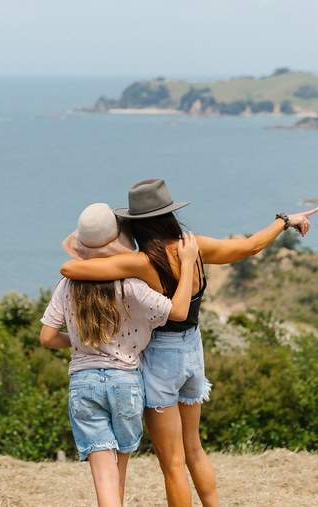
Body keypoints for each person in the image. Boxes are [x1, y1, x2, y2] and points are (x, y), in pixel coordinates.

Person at [61, 178, 318, 507]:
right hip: (193, 352)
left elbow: (70, 268)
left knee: (172, 463)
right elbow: (250, 246)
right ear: (169, 215)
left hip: (160, 361)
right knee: (194, 449)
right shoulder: (194, 246)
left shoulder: (141, 262)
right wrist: (284, 221)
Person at [40, 203, 199, 507]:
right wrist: (188, 263)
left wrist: (78, 342)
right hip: (125, 382)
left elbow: (47, 337)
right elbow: (179, 311)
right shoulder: (132, 286)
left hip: (84, 383)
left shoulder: (68, 284)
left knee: (103, 477)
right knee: (119, 468)